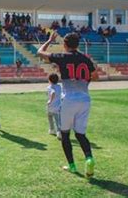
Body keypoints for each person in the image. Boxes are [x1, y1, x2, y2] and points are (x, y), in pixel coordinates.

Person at [37, 32, 99, 177]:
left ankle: (72, 165)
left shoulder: (63, 57)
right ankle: (89, 158)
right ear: (77, 44)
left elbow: (40, 53)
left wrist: (49, 41)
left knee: (65, 134)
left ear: (65, 44)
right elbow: (95, 76)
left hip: (69, 99)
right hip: (85, 99)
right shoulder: (85, 58)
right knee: (81, 134)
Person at [46, 73, 62, 140]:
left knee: (50, 118)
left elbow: (53, 92)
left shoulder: (49, 87)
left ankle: (52, 129)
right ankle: (59, 132)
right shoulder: (59, 86)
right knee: (57, 120)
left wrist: (50, 100)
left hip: (50, 106)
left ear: (49, 80)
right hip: (58, 106)